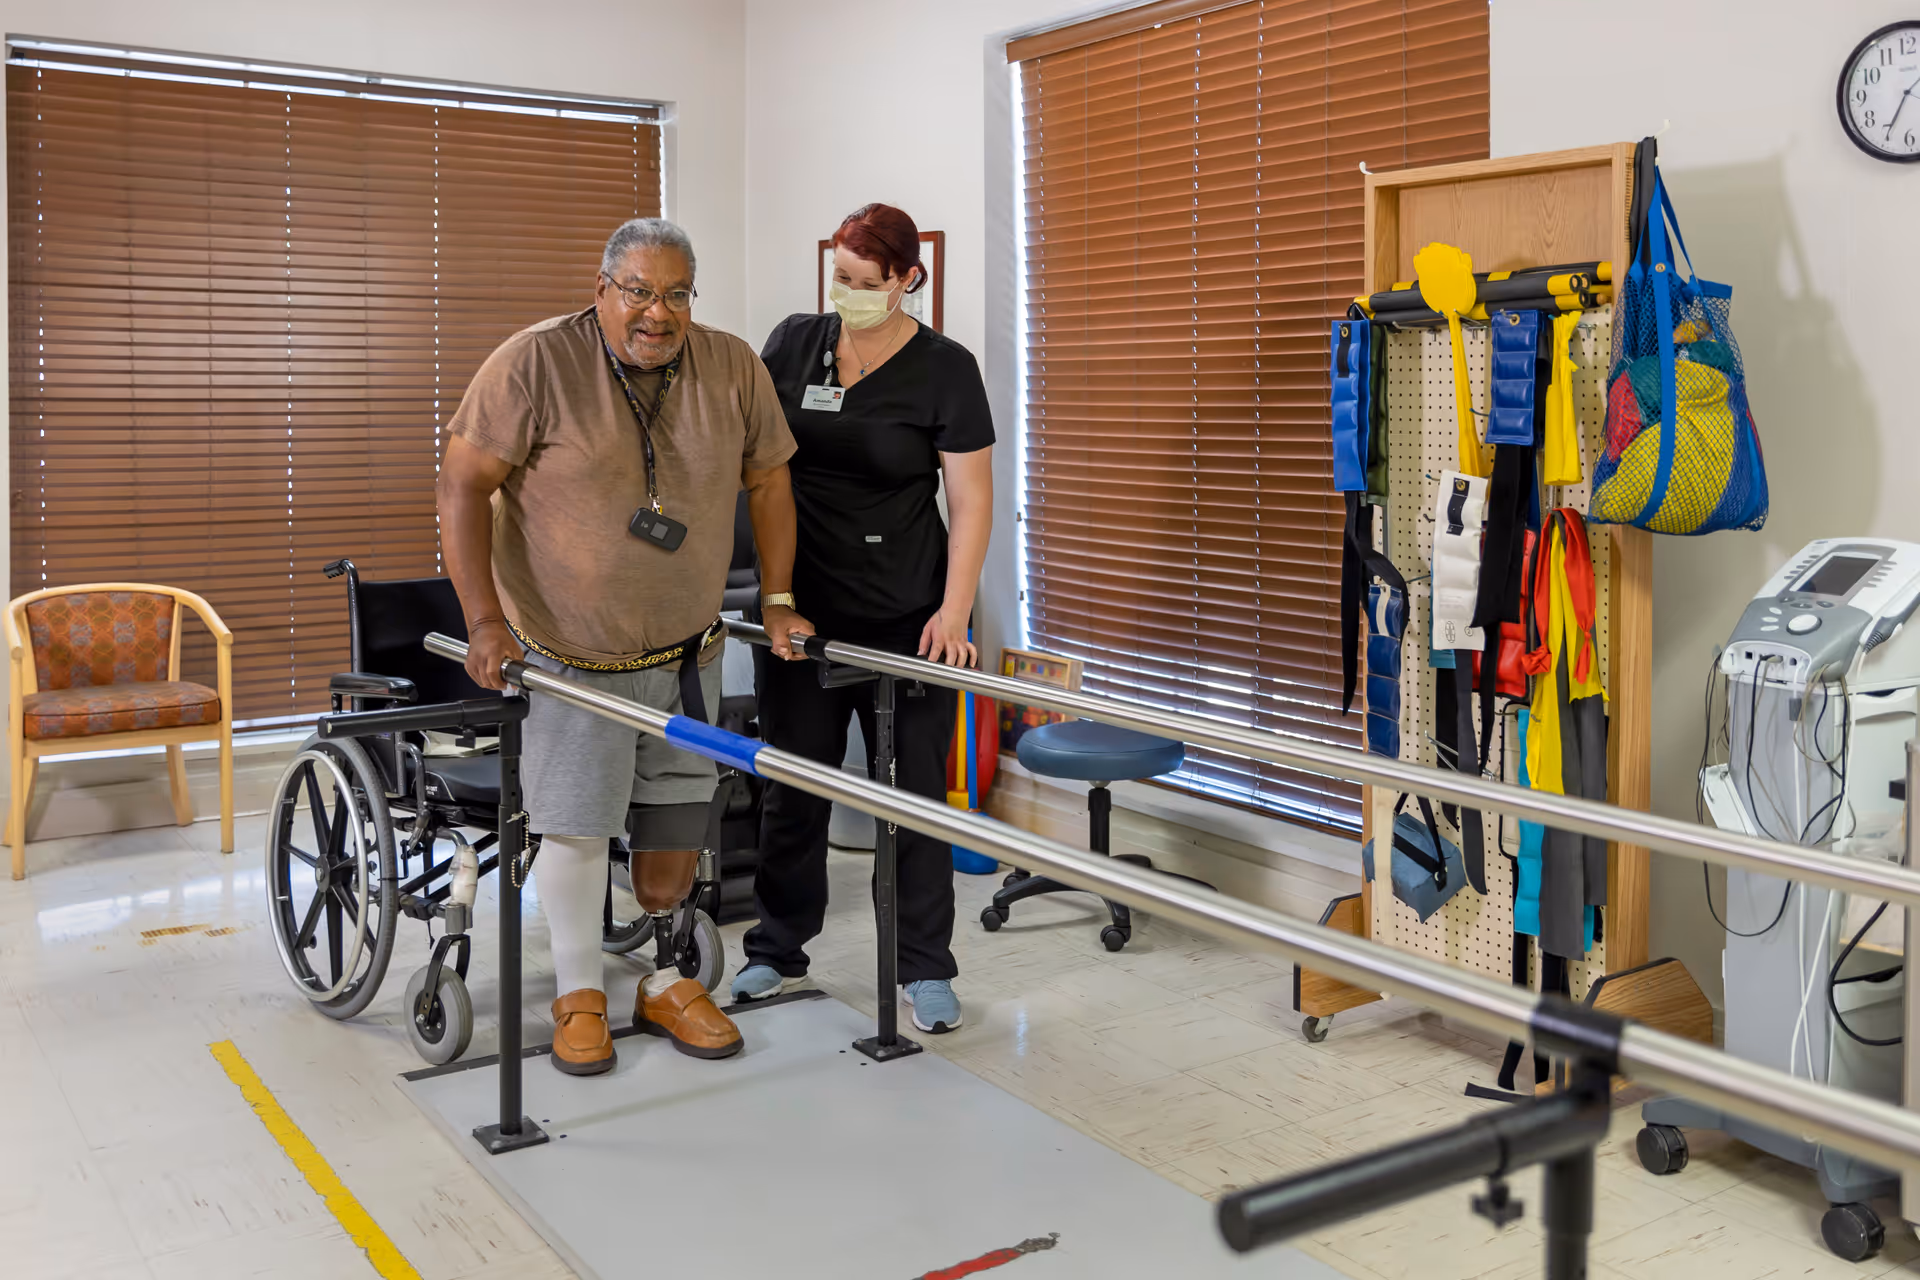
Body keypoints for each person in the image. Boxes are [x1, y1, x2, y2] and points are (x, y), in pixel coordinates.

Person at [438, 217, 813, 1076]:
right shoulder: (535, 363)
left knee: (665, 859)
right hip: (574, 660)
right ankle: (579, 993)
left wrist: (783, 599)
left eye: (677, 293)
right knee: (572, 833)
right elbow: (461, 483)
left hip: (686, 658)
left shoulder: (732, 367)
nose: (658, 312)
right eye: (639, 291)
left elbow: (770, 479)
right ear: (602, 288)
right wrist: (485, 622)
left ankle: (660, 980)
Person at [730, 203, 994, 1033]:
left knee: (911, 796)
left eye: (864, 283)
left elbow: (972, 498)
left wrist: (954, 611)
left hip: (910, 611)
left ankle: (924, 968)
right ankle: (776, 949)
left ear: (908, 280)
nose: (845, 294)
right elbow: (756, 462)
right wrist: (773, 597)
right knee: (794, 787)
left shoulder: (946, 368)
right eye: (838, 277)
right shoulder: (794, 343)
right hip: (801, 609)